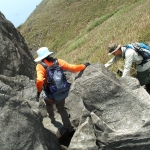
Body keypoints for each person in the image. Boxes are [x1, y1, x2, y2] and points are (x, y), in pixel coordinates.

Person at [34, 47, 90, 135]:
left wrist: (38, 90)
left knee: (48, 105)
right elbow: (73, 68)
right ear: (49, 54)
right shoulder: (58, 62)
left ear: (40, 57)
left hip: (50, 95)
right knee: (61, 109)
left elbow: (40, 80)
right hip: (62, 92)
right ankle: (70, 129)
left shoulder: (40, 66)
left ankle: (52, 119)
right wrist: (84, 65)